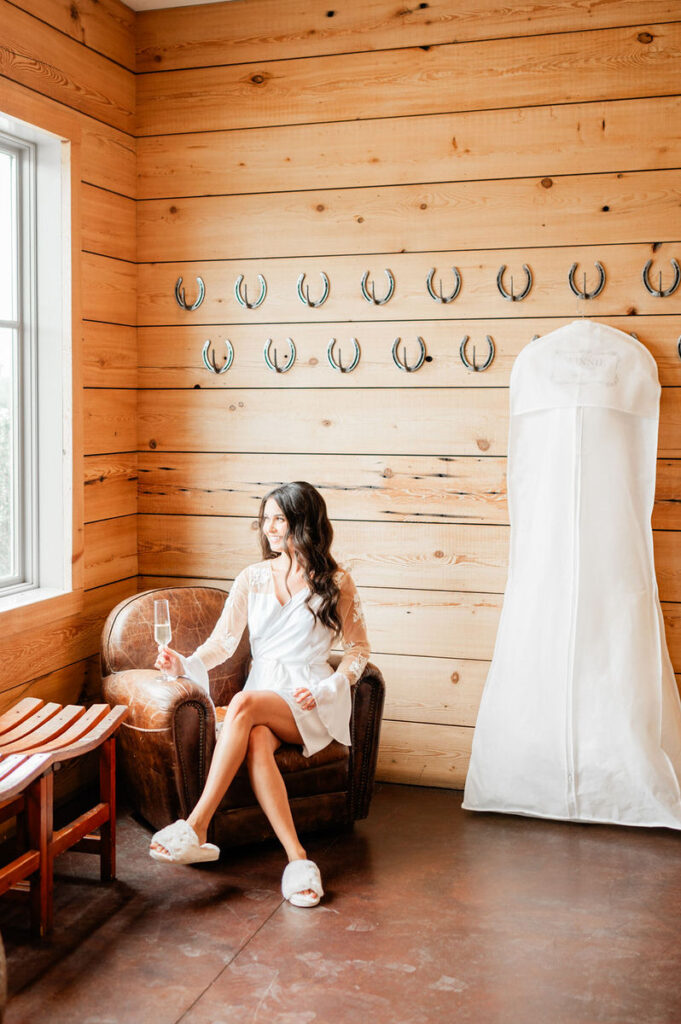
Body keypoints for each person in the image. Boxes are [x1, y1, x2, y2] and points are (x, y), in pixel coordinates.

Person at [149, 481, 371, 907]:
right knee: (253, 736)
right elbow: (223, 642)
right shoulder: (252, 578)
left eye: (279, 519)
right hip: (264, 691)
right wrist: (183, 663)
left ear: (303, 523)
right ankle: (299, 859)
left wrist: (329, 687)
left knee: (243, 706)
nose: (268, 527)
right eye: (265, 518)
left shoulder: (337, 581)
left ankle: (196, 826)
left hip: (310, 697)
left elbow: (359, 649)